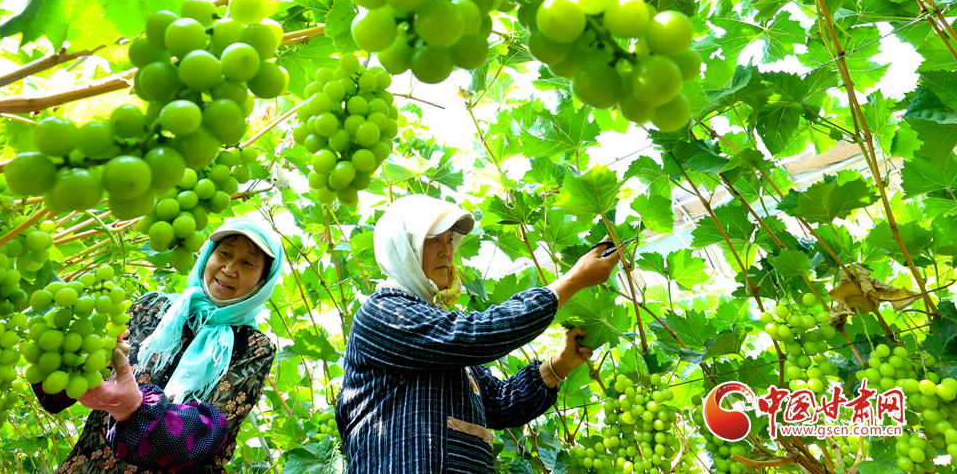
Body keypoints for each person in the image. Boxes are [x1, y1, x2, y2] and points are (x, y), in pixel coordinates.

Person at [336, 194, 622, 474]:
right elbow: (474, 334)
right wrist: (572, 281)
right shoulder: (383, 312)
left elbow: (497, 403)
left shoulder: (436, 327)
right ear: (403, 249)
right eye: (433, 239)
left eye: (450, 240)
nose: (446, 251)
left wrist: (558, 366)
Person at [31, 217, 283, 474]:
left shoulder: (254, 348)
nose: (229, 269)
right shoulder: (152, 308)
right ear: (208, 256)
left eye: (248, 263)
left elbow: (208, 435)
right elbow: (57, 396)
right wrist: (68, 356)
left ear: (263, 281)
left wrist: (132, 407)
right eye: (225, 254)